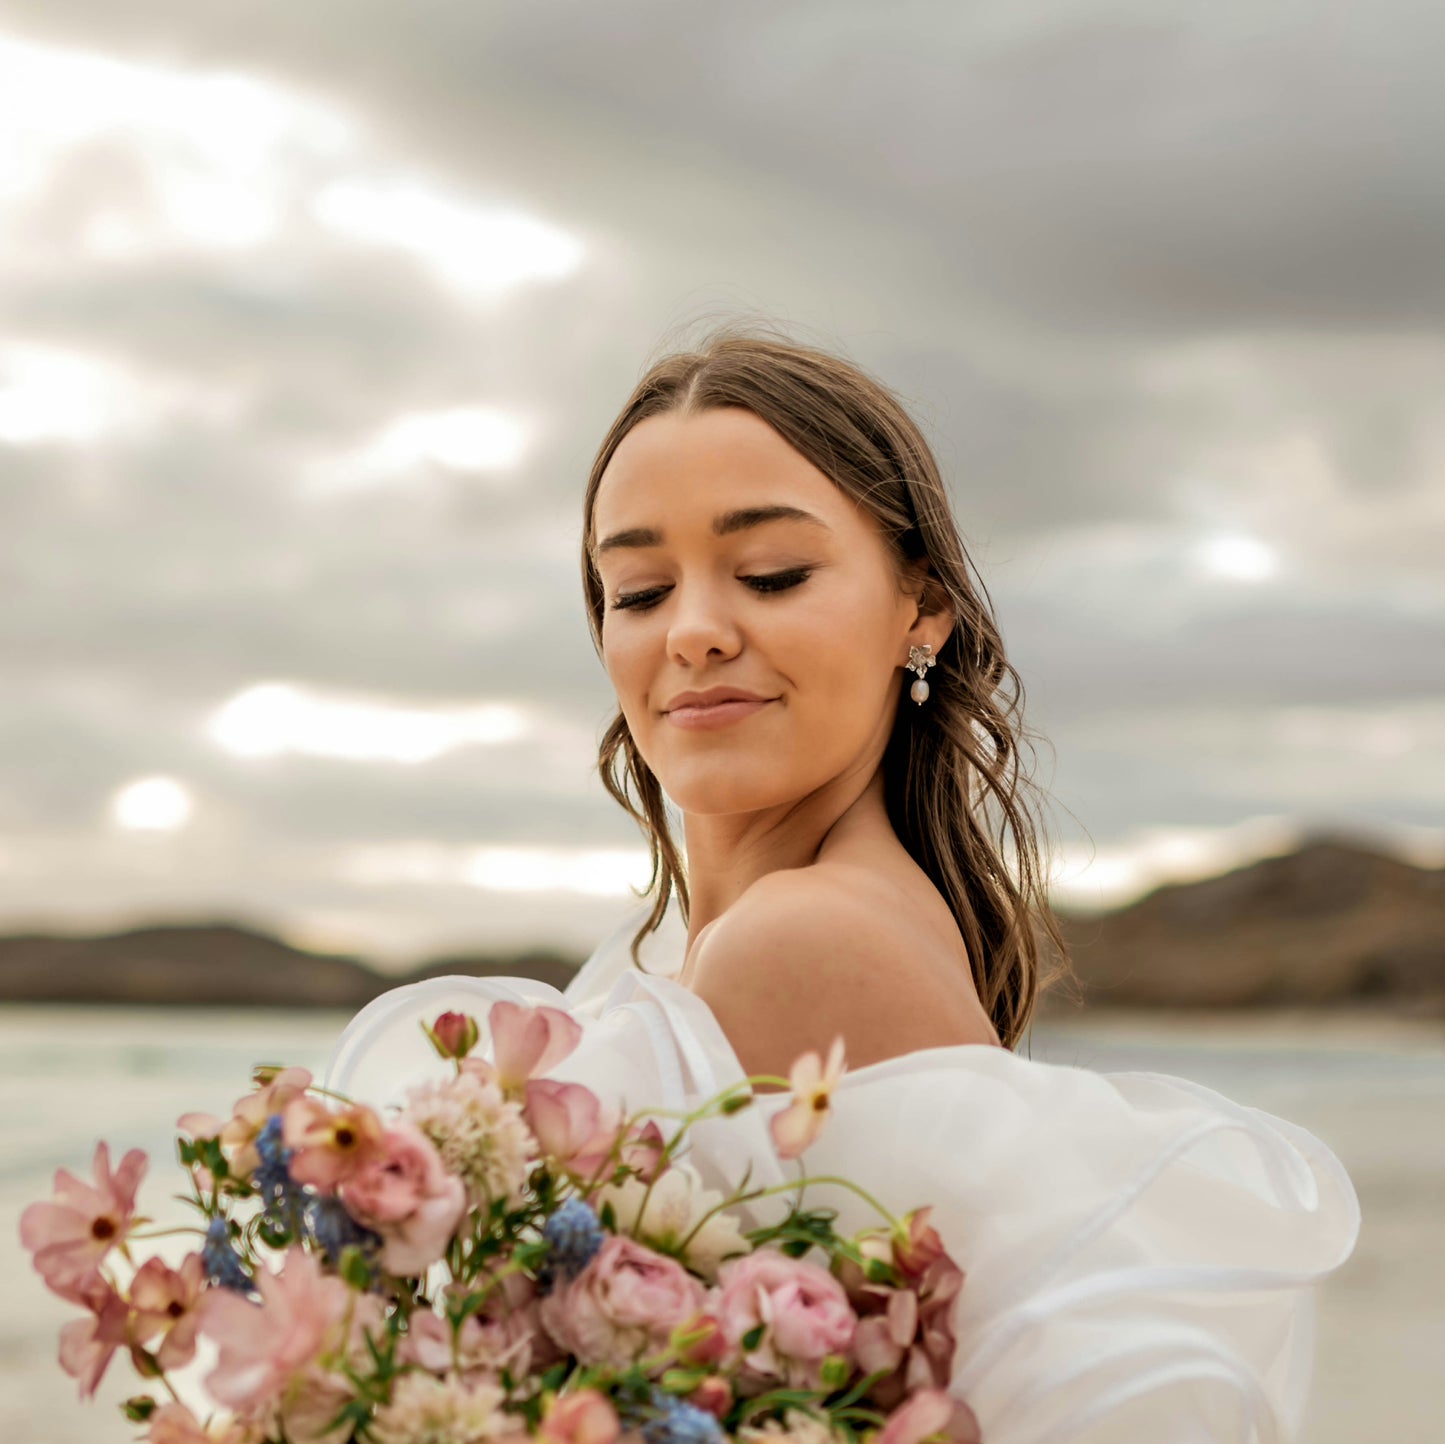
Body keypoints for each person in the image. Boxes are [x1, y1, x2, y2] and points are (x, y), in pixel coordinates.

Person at [327, 326, 1360, 1442]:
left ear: (920, 609)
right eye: (636, 589)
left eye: (770, 574)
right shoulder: (731, 936)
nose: (695, 632)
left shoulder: (801, 942)